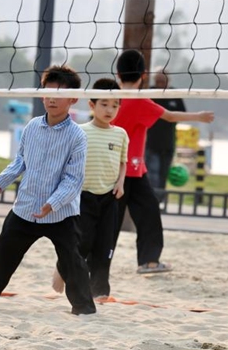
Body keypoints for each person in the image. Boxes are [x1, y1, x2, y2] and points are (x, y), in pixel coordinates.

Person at [0, 64, 96, 316]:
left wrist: (54, 202)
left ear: (73, 98)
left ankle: (83, 307)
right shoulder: (32, 127)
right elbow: (21, 161)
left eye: (58, 95)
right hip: (26, 207)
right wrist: (2, 180)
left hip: (61, 213)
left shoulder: (77, 136)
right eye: (48, 93)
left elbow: (73, 179)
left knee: (72, 260)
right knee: (3, 249)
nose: (51, 99)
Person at [111, 50, 215, 274]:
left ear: (118, 74)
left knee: (126, 216)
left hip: (124, 170)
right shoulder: (139, 101)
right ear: (143, 76)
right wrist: (199, 116)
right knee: (141, 216)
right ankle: (146, 262)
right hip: (128, 169)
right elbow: (169, 115)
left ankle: (145, 262)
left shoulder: (109, 98)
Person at [51, 78, 128, 299]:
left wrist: (121, 182)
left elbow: (123, 162)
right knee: (82, 243)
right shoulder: (79, 131)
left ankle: (100, 291)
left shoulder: (120, 134)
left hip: (109, 197)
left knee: (105, 247)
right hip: (83, 196)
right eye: (104, 104)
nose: (110, 110)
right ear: (92, 105)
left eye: (115, 105)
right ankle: (61, 268)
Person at [145, 68, 186, 195]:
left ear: (168, 80)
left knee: (163, 175)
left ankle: (159, 201)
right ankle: (153, 200)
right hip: (151, 143)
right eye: (158, 80)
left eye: (163, 80)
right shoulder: (149, 92)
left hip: (168, 144)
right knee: (153, 175)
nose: (160, 82)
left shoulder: (174, 94)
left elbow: (182, 114)